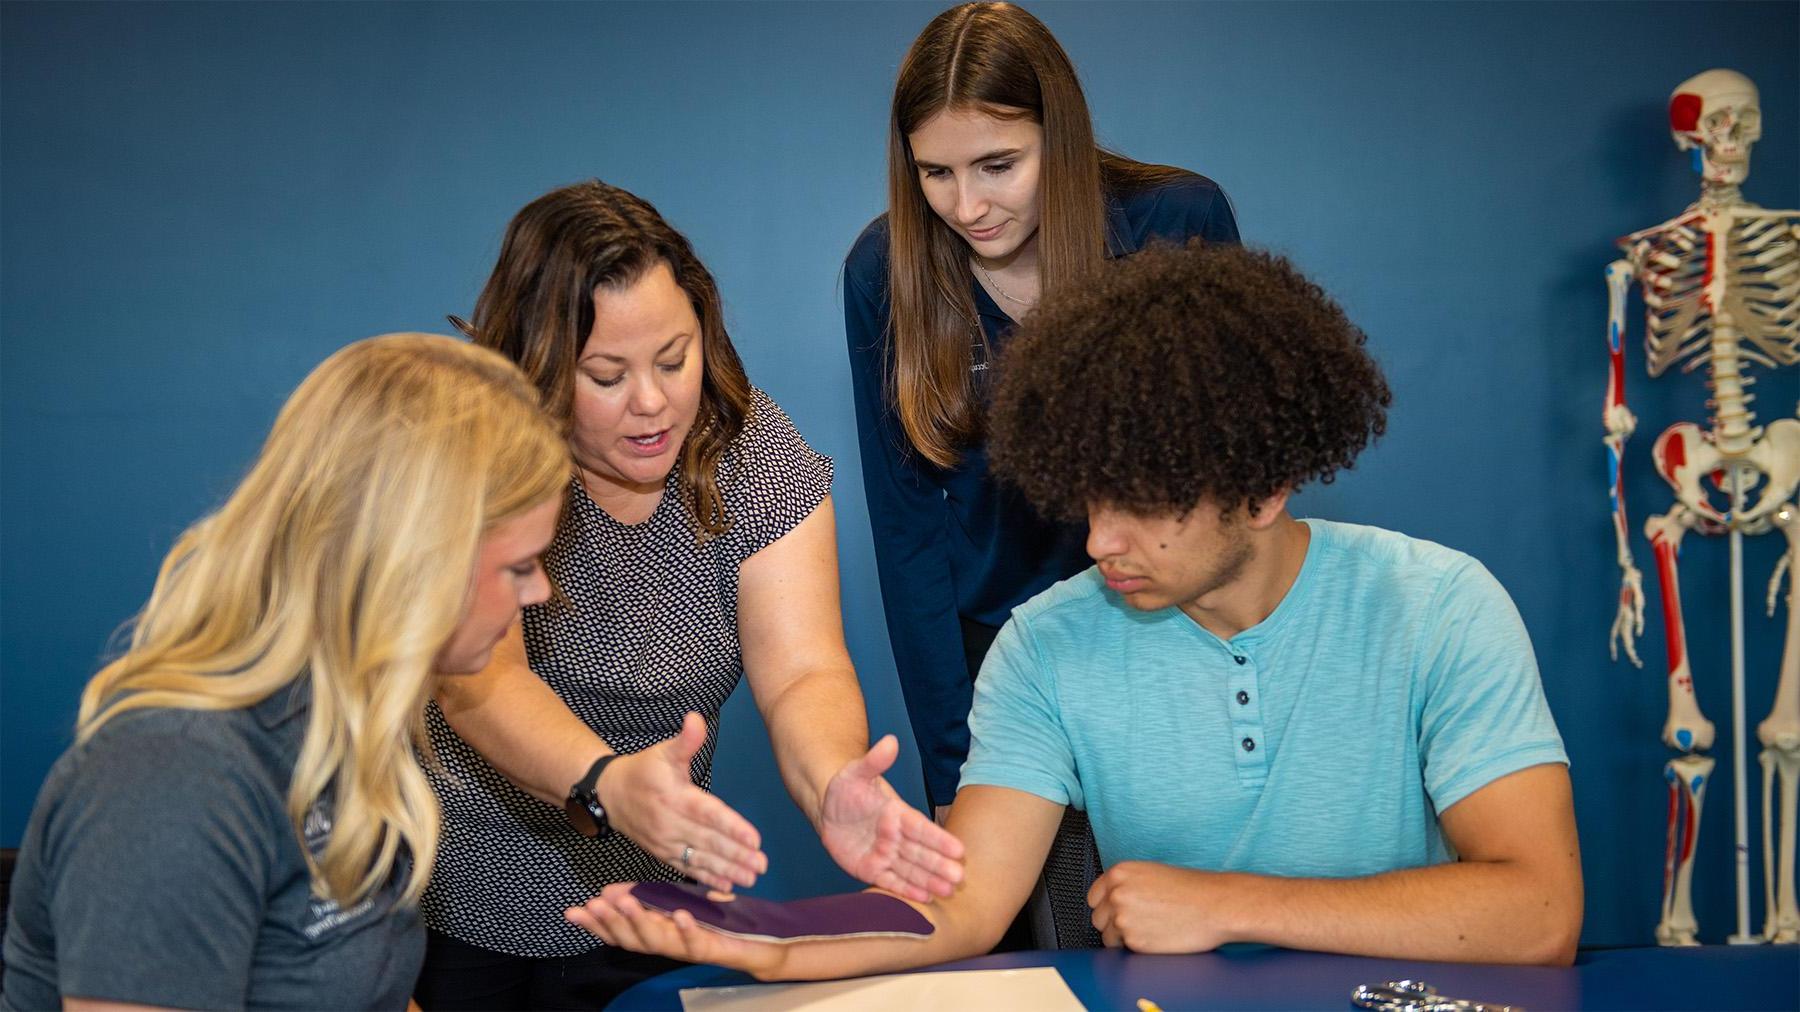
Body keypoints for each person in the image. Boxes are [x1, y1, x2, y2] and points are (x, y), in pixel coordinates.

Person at [568, 241, 1585, 973]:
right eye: (1091, 496)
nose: (1100, 542)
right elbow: (960, 905)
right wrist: (767, 937)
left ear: (1265, 488)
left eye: (1144, 508)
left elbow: (1539, 910)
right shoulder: (1046, 643)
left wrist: (1224, 903)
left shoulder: (1442, 608)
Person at [414, 180, 964, 1009]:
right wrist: (605, 780)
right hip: (458, 899)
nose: (652, 402)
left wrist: (832, 781)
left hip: (657, 904)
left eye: (674, 359)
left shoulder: (753, 455)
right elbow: (480, 682)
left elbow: (803, 670)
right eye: (606, 375)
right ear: (538, 364)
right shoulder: (478, 458)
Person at [2, 335, 570, 1010]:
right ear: (414, 563)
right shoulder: (174, 778)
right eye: (519, 566)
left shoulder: (339, 733)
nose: (539, 593)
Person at [843, 4, 1240, 941]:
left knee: (1176, 928)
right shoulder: (882, 270)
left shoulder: (1177, 222)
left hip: (1170, 635)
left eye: (997, 166)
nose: (967, 206)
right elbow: (907, 534)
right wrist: (956, 771)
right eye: (934, 172)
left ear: (1057, 138)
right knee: (1045, 935)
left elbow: (1235, 469)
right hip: (1001, 668)